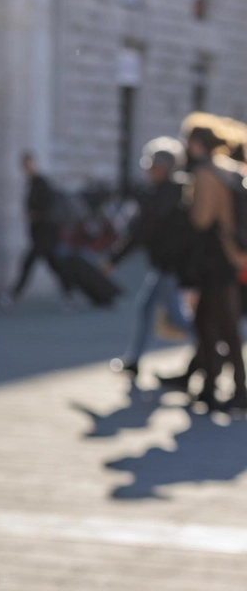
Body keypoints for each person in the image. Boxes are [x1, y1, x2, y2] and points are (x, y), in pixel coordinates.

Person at [161, 114, 247, 409]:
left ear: (196, 144)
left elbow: (201, 219)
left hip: (214, 259)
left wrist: (187, 204)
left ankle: (238, 390)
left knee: (223, 326)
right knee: (209, 323)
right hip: (229, 256)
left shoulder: (206, 174)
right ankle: (211, 386)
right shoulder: (229, 170)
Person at [102, 137, 193, 375]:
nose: (149, 171)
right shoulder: (170, 191)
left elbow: (141, 232)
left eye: (154, 165)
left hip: (169, 264)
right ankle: (134, 360)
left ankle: (213, 351)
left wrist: (114, 259)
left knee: (176, 317)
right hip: (164, 263)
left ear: (164, 167)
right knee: (146, 308)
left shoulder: (164, 195)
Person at [1, 151, 74, 307]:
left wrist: (34, 215)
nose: (26, 168)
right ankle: (69, 294)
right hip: (40, 233)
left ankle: (13, 295)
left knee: (28, 263)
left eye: (28, 164)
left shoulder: (41, 183)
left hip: (46, 233)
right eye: (24, 165)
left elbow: (48, 207)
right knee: (55, 266)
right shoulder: (32, 183)